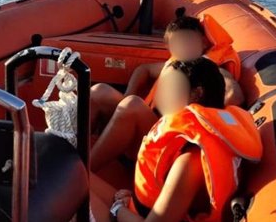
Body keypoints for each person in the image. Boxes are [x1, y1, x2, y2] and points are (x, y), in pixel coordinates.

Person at [90, 58, 262, 222]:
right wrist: (127, 205)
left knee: (69, 181)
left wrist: (118, 210)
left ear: (196, 94)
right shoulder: (208, 141)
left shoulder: (191, 161)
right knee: (78, 172)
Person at [90, 15, 244, 173]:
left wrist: (199, 115)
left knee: (132, 105)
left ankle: (86, 169)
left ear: (203, 43)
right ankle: (72, 145)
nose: (184, 47)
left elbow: (234, 94)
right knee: (100, 91)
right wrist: (128, 94)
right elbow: (144, 70)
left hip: (170, 138)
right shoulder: (175, 64)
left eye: (188, 41)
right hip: (153, 123)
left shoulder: (211, 70)